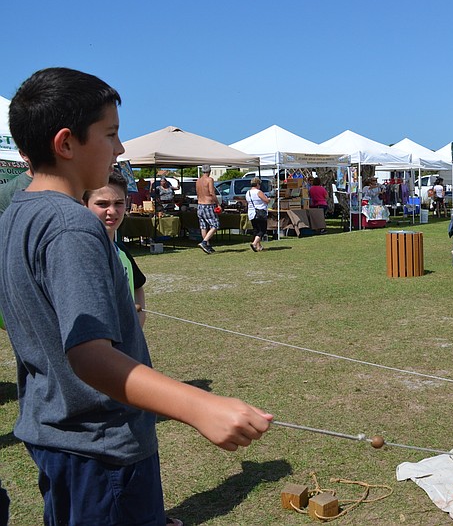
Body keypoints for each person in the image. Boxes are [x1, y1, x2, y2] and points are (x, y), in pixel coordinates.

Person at [0, 67, 272, 526]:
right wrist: (200, 405)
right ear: (66, 144)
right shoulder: (72, 226)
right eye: (110, 135)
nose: (120, 150)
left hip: (56, 436)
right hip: (101, 446)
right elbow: (89, 356)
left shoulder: (15, 216)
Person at [83, 171, 148, 327]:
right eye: (102, 204)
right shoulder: (80, 254)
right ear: (84, 205)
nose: (112, 211)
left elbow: (138, 286)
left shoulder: (122, 252)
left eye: (118, 203)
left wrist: (140, 318)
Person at [196, 164, 220, 254]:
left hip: (200, 205)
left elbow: (198, 193)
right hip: (208, 204)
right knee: (215, 225)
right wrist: (218, 203)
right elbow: (212, 192)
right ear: (210, 171)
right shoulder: (209, 180)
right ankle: (204, 242)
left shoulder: (198, 181)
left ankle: (207, 246)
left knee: (203, 226)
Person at [245, 177, 270, 252]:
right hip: (260, 212)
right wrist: (268, 199)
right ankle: (254, 243)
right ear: (258, 184)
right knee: (262, 229)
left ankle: (258, 246)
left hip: (251, 212)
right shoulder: (258, 192)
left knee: (256, 229)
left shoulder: (248, 192)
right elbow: (266, 200)